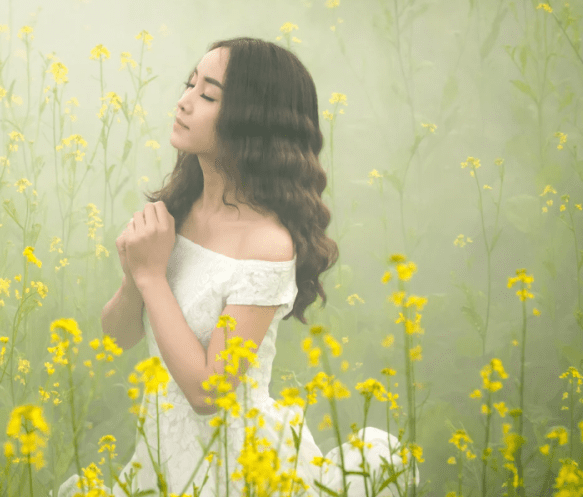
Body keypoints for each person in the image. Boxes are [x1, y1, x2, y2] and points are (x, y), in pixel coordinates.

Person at [57, 38, 419, 497]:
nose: (184, 102)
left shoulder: (266, 243)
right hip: (160, 460)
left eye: (208, 95)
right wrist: (136, 275)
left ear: (254, 122)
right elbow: (118, 336)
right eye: (189, 85)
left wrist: (151, 276)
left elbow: (210, 393)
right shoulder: (178, 212)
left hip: (235, 470)